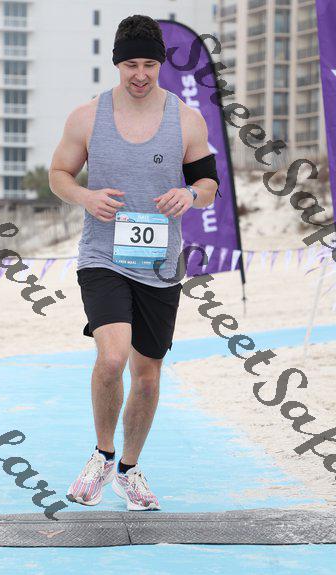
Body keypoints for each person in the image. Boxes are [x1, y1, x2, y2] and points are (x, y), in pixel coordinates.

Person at [49, 15, 219, 511]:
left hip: (161, 264)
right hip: (103, 256)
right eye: (130, 65)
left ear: (160, 64)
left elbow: (208, 185)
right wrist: (85, 196)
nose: (140, 74)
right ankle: (102, 456)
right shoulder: (87, 117)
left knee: (147, 373)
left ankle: (128, 470)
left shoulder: (187, 120)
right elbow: (59, 173)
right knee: (112, 357)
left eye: (148, 64)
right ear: (117, 64)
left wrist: (190, 194)